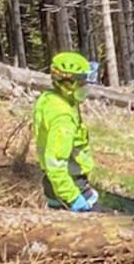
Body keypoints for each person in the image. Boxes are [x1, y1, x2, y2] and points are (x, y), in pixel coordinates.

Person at [35, 51, 100, 211]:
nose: (86, 87)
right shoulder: (62, 118)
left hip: (57, 183)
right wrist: (73, 197)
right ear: (68, 84)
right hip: (69, 184)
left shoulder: (52, 99)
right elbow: (55, 163)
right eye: (82, 83)